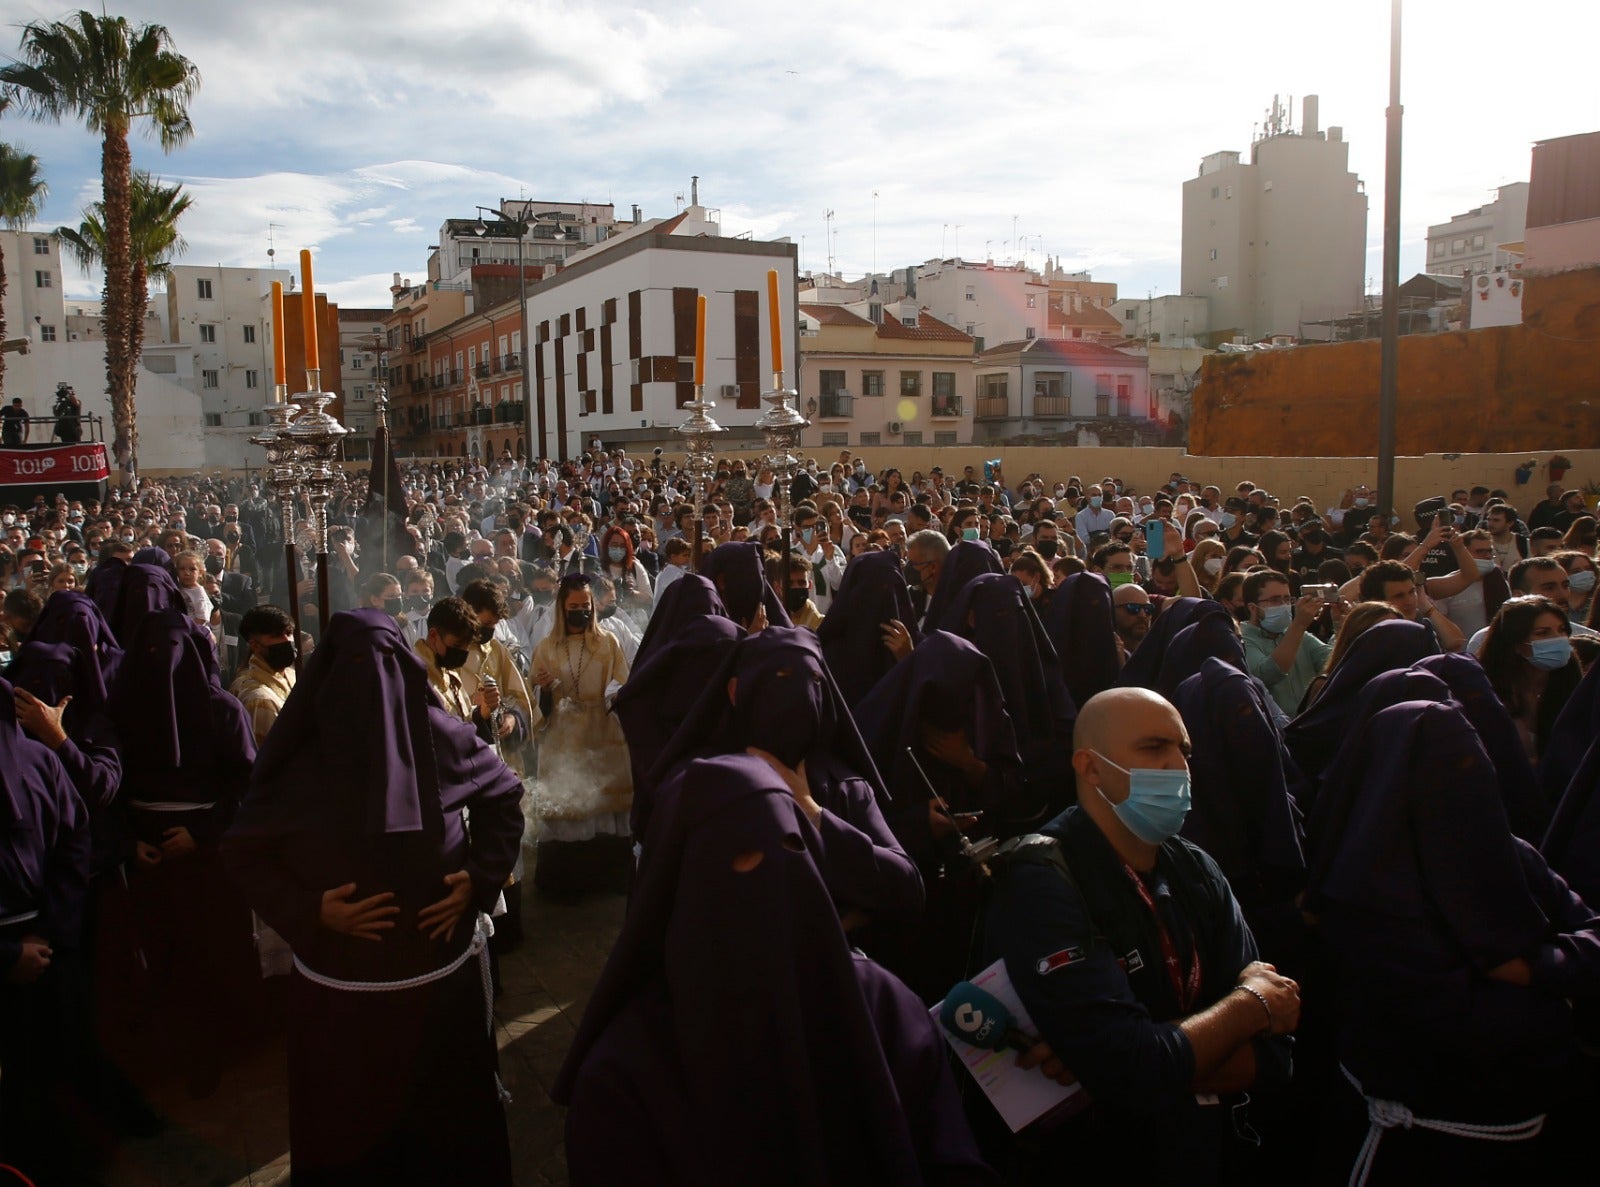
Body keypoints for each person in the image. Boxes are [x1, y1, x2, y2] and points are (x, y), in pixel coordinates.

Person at [553, 753, 999, 1185]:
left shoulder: (887, 1008)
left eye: (791, 850)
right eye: (739, 859)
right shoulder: (623, 1080)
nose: (772, 885)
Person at [222, 610, 524, 1186]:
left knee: (449, 1136)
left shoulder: (437, 734)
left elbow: (504, 793)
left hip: (441, 984)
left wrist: (481, 876)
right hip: (345, 994)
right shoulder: (300, 760)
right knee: (355, 1137)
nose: (374, 684)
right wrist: (310, 911)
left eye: (386, 668)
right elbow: (243, 852)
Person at [982, 687, 1299, 1184]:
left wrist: (1118, 1060)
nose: (1178, 766)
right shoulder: (1044, 876)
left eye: (1184, 751)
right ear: (1090, 767)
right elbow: (1132, 1068)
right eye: (1154, 749)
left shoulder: (1196, 868)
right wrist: (1245, 1007)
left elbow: (1274, 1054)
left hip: (1205, 1152)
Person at [1305, 699, 1600, 1183]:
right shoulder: (1364, 890)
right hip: (1412, 1144)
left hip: (1515, 1129)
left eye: (1471, 762)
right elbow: (1462, 1022)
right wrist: (1564, 998)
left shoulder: (1508, 854)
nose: (1462, 781)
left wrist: (1536, 969)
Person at [109, 608, 258, 1099]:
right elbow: (109, 787)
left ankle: (223, 1044)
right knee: (164, 952)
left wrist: (204, 833)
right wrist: (132, 840)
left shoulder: (223, 710)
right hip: (146, 849)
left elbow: (246, 786)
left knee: (215, 946)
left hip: (206, 850)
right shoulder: (119, 709)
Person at [0, 675, 93, 1187]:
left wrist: (46, 935)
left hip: (45, 942)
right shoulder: (39, 758)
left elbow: (72, 845)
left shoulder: (42, 761)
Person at [527, 574, 633, 898]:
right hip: (564, 735)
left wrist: (612, 695)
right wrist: (543, 688)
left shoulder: (607, 642)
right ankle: (569, 884)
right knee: (569, 807)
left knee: (603, 805)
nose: (581, 612)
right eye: (574, 606)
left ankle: (607, 882)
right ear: (562, 607)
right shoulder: (547, 647)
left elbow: (621, 682)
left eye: (586, 606)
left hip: (601, 729)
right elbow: (532, 696)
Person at [1479, 595, 1583, 763]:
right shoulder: (1487, 694)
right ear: (1516, 644)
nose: (1558, 638)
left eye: (1562, 630)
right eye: (1543, 633)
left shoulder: (1575, 688)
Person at [1241, 569, 1340, 715]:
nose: (1284, 605)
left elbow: (1332, 661)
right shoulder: (1243, 639)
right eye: (1275, 600)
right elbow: (1267, 674)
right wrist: (1298, 625)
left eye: (1287, 599)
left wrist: (1340, 625)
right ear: (1253, 608)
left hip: (1309, 722)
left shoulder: (1296, 634)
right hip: (1278, 729)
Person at [230, 605, 299, 746]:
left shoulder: (291, 674)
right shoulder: (258, 698)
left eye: (289, 632)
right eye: (276, 635)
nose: (287, 640)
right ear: (255, 645)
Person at [1112, 580, 1154, 666]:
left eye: (1148, 608)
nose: (1143, 615)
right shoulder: (1101, 654)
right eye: (1133, 608)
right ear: (1112, 611)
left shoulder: (1160, 653)